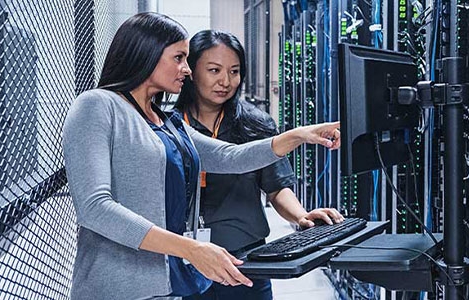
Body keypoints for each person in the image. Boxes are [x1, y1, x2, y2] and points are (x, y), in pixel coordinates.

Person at [61, 13, 340, 299]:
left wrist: (300, 135)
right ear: (147, 53)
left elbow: (231, 157)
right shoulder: (96, 106)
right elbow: (94, 208)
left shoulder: (166, 121)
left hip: (168, 282)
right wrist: (191, 249)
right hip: (117, 286)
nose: (187, 69)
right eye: (179, 58)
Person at [174, 30, 344, 300]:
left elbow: (277, 187)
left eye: (234, 71)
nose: (225, 81)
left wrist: (301, 216)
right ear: (191, 70)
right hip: (185, 261)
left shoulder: (255, 124)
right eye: (214, 70)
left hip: (247, 262)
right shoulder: (169, 127)